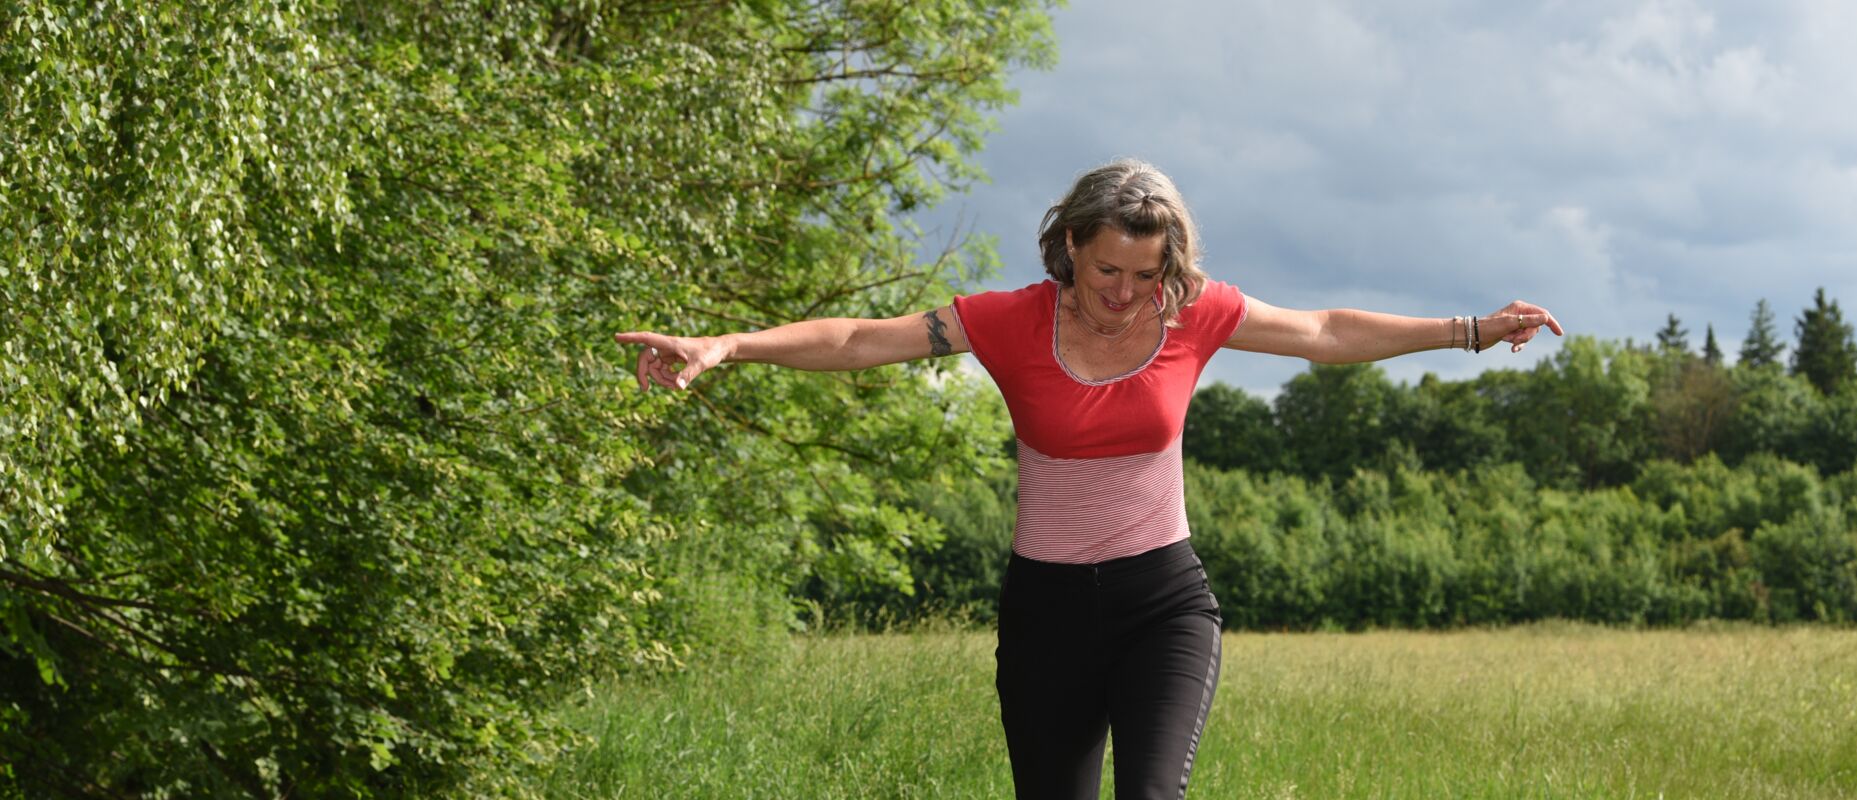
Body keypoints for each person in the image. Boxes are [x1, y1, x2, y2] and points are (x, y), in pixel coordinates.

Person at [615, 159, 1562, 799]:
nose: (1124, 292)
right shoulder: (1009, 320)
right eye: (1108, 268)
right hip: (1048, 613)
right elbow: (865, 339)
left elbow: (1322, 332)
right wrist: (728, 345)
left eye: (1147, 274)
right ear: (1070, 245)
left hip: (1164, 603)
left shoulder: (1196, 313)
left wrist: (1471, 329)